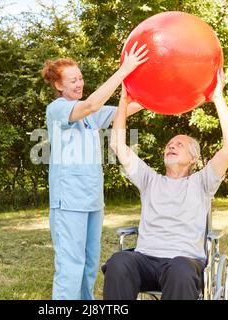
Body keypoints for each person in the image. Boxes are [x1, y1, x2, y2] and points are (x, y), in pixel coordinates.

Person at [103, 69, 228, 300]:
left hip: (183, 262)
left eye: (180, 144)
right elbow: (118, 144)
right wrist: (124, 100)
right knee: (119, 261)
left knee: (180, 269)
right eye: (169, 144)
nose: (171, 146)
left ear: (194, 159)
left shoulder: (202, 182)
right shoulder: (150, 180)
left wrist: (217, 97)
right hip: (145, 259)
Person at [40, 42, 149, 300]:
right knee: (71, 266)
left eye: (80, 78)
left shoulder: (90, 116)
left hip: (92, 201)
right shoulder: (58, 109)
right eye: (72, 81)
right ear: (58, 85)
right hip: (68, 202)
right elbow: (90, 105)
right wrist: (124, 70)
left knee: (89, 266)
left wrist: (157, 93)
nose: (79, 84)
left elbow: (127, 109)